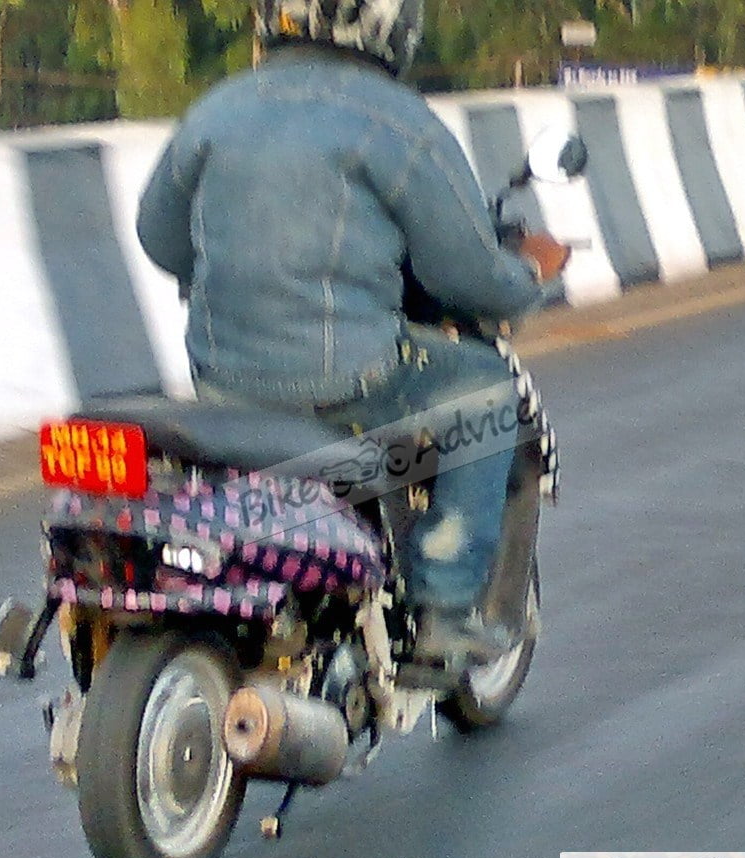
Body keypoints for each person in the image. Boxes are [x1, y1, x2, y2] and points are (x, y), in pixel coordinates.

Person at [136, 0, 568, 666]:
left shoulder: (215, 111)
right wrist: (532, 270)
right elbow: (471, 278)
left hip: (221, 380)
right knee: (483, 391)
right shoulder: (399, 123)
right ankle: (445, 610)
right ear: (391, 23)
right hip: (348, 382)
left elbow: (159, 238)